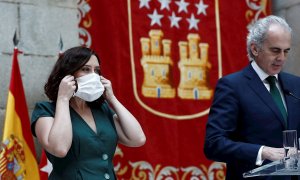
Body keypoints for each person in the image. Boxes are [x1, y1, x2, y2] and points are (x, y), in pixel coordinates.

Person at [204, 15, 300, 180]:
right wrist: (263, 152)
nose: (282, 58)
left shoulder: (295, 84)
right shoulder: (232, 86)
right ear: (255, 49)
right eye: (275, 50)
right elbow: (214, 144)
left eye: (286, 51)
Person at [31, 46, 146, 179]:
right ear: (68, 75)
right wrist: (63, 98)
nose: (93, 75)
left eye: (97, 71)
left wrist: (112, 98)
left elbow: (138, 139)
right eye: (86, 69)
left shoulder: (102, 109)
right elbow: (59, 148)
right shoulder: (46, 110)